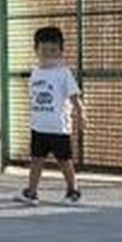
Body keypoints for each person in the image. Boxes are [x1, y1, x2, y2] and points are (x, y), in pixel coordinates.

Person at [17, 26, 86, 206]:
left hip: (59, 128)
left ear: (61, 51)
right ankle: (32, 192)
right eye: (44, 50)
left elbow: (74, 97)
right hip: (39, 127)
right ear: (36, 50)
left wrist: (81, 114)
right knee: (36, 160)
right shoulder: (35, 73)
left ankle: (73, 190)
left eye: (54, 51)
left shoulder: (63, 73)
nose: (49, 55)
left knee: (64, 161)